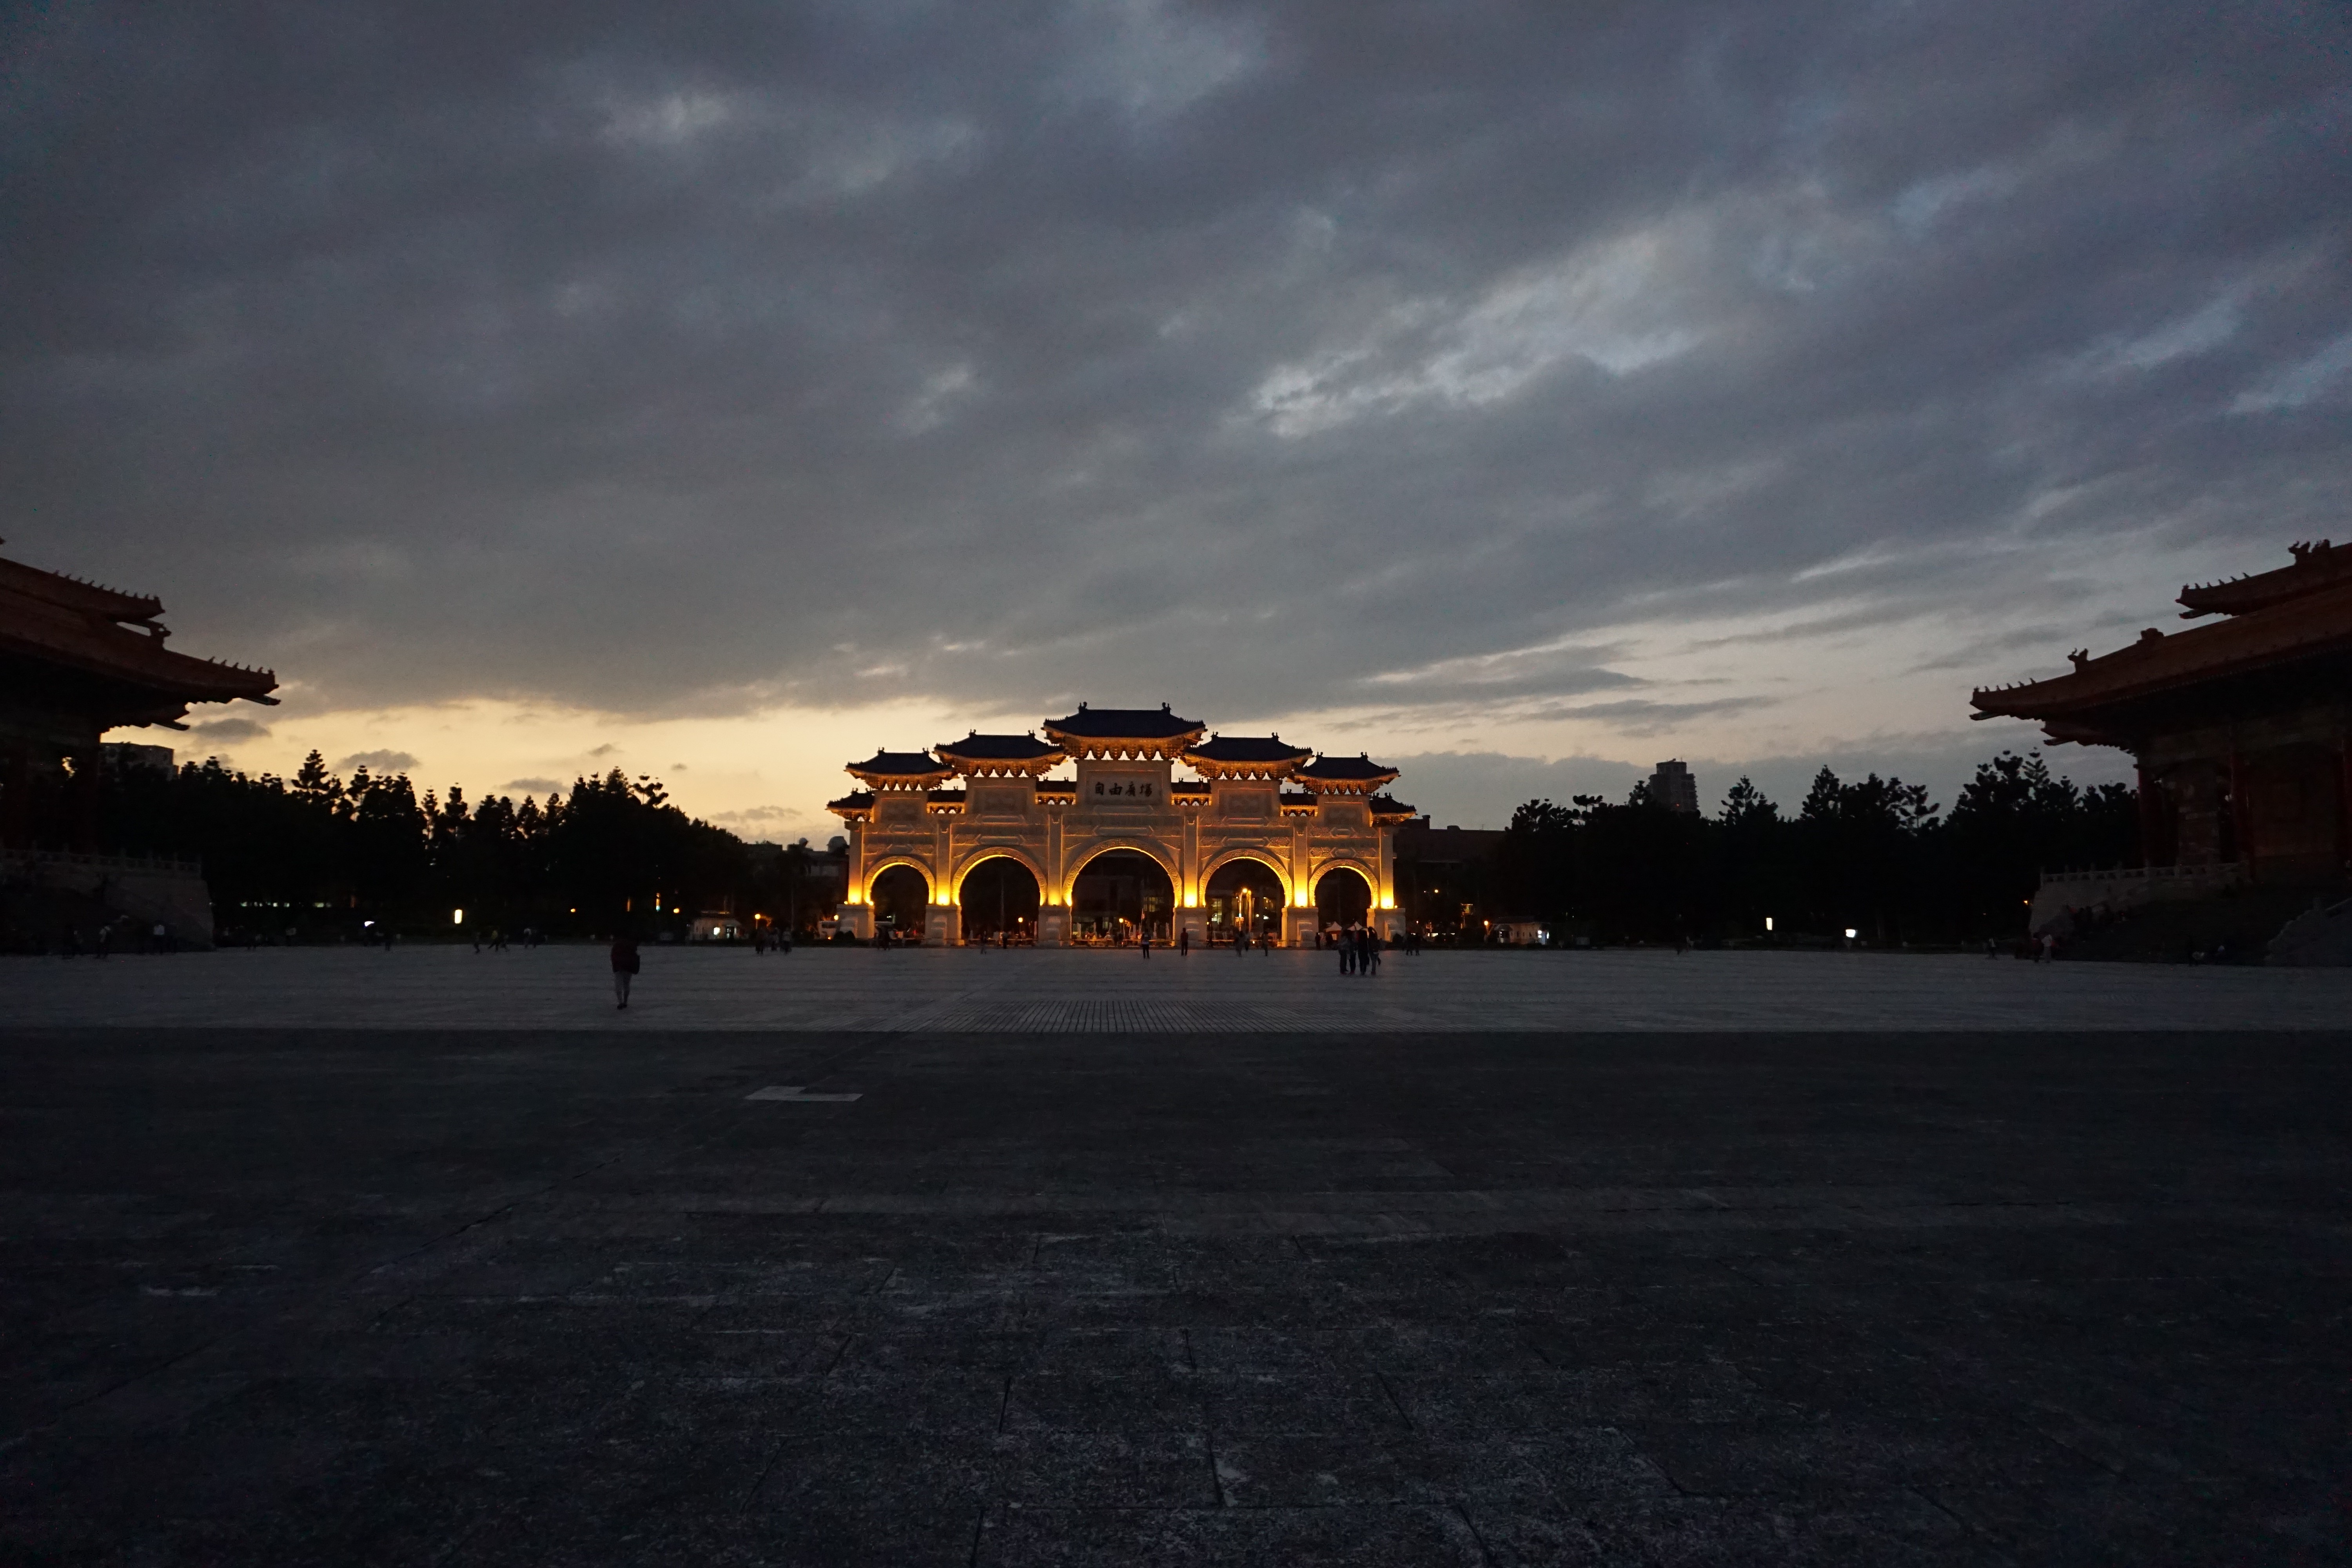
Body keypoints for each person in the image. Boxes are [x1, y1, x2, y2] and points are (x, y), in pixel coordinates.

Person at [611, 932, 640, 1008]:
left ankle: (621, 1002)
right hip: (628, 968)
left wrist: (616, 966)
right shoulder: (631, 945)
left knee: (619, 986)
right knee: (626, 985)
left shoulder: (617, 945)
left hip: (619, 968)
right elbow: (635, 956)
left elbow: (613, 956)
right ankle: (625, 1002)